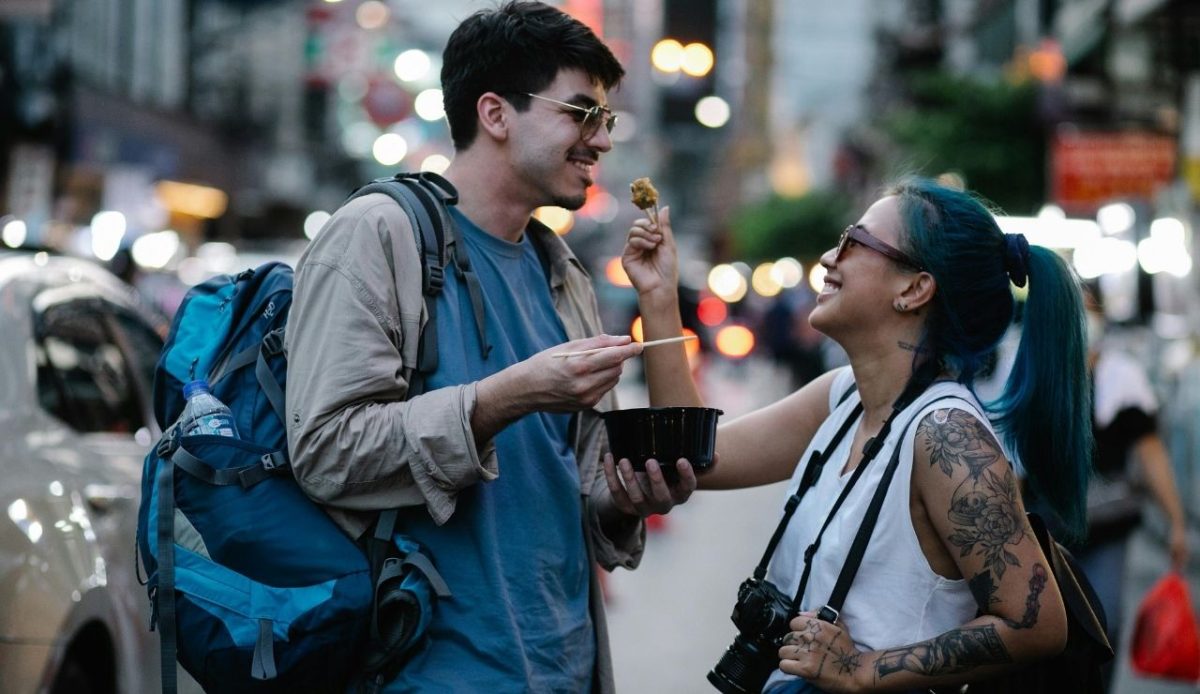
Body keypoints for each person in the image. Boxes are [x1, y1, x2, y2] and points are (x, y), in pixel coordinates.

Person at [284, 3, 697, 691]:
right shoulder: (378, 234)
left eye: (606, 119)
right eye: (581, 113)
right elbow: (327, 452)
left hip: (565, 667)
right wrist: (507, 397)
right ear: (496, 114)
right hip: (431, 673)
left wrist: (626, 499)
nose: (601, 140)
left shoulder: (561, 272)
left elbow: (577, 488)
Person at [615, 177, 1093, 692]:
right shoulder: (843, 396)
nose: (828, 257)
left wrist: (864, 670)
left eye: (853, 242)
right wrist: (659, 296)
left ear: (913, 289)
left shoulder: (946, 434)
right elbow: (693, 455)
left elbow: (1035, 623)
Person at [1074, 294, 1189, 689]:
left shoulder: (1121, 377)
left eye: (1089, 312)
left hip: (1106, 524)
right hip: (1047, 527)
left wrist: (1176, 521)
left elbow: (1150, 452)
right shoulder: (1033, 371)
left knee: (1104, 618)